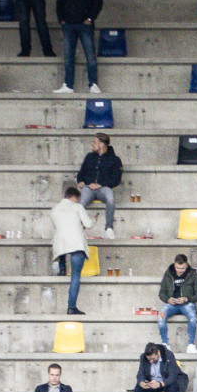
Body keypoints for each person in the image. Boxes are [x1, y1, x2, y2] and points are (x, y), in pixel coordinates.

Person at [54, 0, 103, 94]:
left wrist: (90, 18)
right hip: (68, 25)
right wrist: (61, 19)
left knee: (90, 55)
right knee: (68, 56)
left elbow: (98, 1)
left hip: (84, 25)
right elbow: (60, 2)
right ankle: (68, 85)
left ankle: (93, 84)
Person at [50, 186, 94, 315]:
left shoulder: (54, 210)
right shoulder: (77, 207)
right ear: (74, 197)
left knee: (63, 248)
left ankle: (62, 267)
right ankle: (71, 307)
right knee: (75, 276)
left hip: (61, 244)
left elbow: (60, 227)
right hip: (76, 244)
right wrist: (93, 220)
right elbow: (88, 224)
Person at [76, 132, 122, 239]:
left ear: (101, 144)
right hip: (88, 187)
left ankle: (109, 228)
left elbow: (116, 179)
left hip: (103, 188)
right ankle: (79, 229)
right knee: (81, 202)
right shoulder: (89, 157)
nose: (92, 144)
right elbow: (81, 172)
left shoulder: (115, 160)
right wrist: (80, 181)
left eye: (94, 142)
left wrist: (100, 184)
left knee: (110, 198)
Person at [156, 254, 197, 354]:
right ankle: (165, 344)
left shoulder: (193, 274)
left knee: (192, 317)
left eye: (182, 268)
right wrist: (168, 299)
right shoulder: (168, 273)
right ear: (174, 264)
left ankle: (191, 345)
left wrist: (186, 299)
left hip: (187, 304)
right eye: (177, 267)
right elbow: (161, 293)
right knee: (161, 315)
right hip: (172, 304)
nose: (179, 270)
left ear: (186, 265)